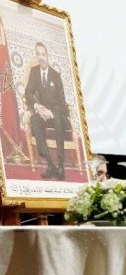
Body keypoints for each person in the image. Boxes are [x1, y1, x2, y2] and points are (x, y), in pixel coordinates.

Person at [25, 42, 70, 181]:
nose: (41, 57)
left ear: (47, 56)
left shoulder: (56, 75)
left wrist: (51, 113)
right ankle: (50, 164)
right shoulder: (34, 72)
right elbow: (28, 92)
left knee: (58, 121)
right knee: (34, 120)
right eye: (38, 54)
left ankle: (61, 165)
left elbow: (62, 102)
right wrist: (37, 106)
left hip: (57, 114)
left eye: (43, 54)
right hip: (43, 114)